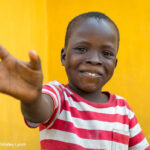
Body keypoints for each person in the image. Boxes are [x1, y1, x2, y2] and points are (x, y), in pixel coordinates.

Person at [0, 12, 149, 150]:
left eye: (106, 53)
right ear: (64, 57)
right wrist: (32, 99)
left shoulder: (124, 110)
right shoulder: (58, 95)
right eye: (82, 49)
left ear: (114, 64)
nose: (95, 60)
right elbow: (38, 112)